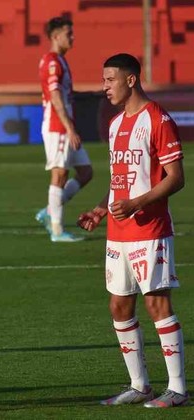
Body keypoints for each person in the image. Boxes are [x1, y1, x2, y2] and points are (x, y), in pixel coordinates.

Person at [78, 53, 187, 408]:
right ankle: (140, 385)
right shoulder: (114, 125)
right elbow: (119, 181)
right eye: (104, 80)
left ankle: (178, 389)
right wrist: (101, 209)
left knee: (157, 304)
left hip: (150, 230)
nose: (105, 86)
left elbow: (176, 178)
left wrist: (138, 204)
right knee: (119, 306)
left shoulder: (157, 119)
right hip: (118, 232)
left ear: (131, 79)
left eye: (110, 79)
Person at [36, 16, 93, 242]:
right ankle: (57, 231)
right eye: (69, 34)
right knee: (59, 173)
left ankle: (50, 211)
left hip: (64, 125)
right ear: (55, 36)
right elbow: (55, 96)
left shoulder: (60, 60)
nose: (73, 37)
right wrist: (69, 128)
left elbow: (65, 93)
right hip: (58, 125)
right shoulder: (52, 62)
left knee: (86, 172)